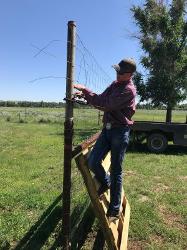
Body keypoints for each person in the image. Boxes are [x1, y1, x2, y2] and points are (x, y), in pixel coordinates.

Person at [74, 58, 136, 222]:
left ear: (129, 75)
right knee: (93, 161)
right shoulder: (115, 85)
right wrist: (86, 96)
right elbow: (101, 98)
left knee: (116, 170)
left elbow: (107, 104)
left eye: (120, 72)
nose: (117, 73)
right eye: (116, 70)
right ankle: (106, 182)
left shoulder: (129, 90)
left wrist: (86, 91)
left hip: (119, 131)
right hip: (107, 129)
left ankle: (114, 211)